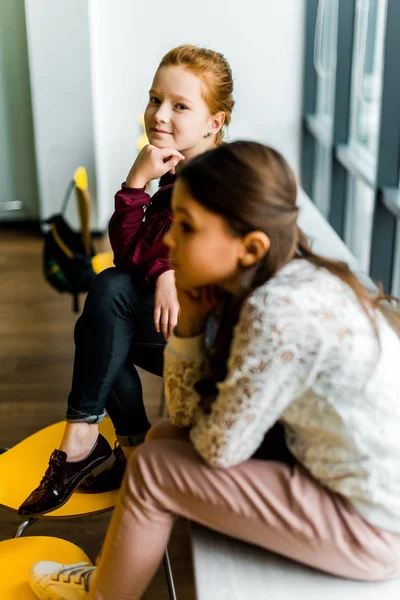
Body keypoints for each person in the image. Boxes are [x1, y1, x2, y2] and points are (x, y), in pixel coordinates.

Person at [29, 141, 400, 600]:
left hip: (371, 527)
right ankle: (110, 578)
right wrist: (188, 327)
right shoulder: (274, 280)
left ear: (250, 247)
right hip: (340, 484)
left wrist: (187, 329)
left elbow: (217, 447)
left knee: (151, 468)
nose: (168, 240)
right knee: (162, 437)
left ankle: (103, 594)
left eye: (186, 228)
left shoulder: (276, 310)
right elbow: (186, 421)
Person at [18, 44, 235, 516]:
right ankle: (121, 448)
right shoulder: (175, 169)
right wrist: (136, 185)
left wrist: (163, 266)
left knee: (110, 294)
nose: (159, 115)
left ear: (213, 122)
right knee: (101, 317)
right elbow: (132, 250)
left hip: (214, 350)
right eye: (155, 99)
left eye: (180, 105)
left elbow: (151, 256)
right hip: (180, 331)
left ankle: (95, 443)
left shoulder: (218, 182)